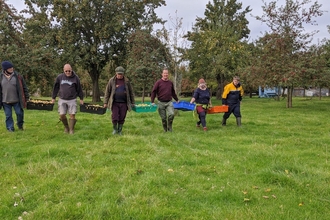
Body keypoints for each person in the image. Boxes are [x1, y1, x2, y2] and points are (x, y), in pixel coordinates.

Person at [51, 64, 84, 134]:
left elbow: (79, 89)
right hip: (62, 99)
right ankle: (66, 127)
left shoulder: (76, 78)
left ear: (71, 70)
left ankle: (71, 129)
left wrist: (81, 98)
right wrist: (53, 98)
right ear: (63, 70)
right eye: (66, 71)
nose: (68, 72)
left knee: (72, 114)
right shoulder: (60, 77)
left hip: (72, 99)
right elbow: (55, 88)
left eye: (69, 71)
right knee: (62, 115)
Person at [103, 66, 135, 135]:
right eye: (118, 74)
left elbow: (131, 92)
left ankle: (120, 130)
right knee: (115, 117)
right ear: (116, 73)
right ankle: (115, 129)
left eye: (121, 74)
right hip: (114, 102)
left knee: (122, 117)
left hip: (124, 103)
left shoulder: (127, 81)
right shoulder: (111, 81)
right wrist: (105, 102)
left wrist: (133, 102)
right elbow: (107, 92)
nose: (120, 76)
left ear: (123, 74)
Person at [0, 61, 30, 132]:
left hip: (17, 100)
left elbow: (24, 87)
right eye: (9, 68)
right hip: (5, 100)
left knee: (19, 113)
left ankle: (20, 125)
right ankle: (10, 128)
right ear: (5, 69)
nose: (11, 69)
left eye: (12, 67)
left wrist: (26, 96)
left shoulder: (18, 76)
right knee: (8, 116)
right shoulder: (1, 77)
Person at [151, 68, 179, 132]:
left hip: (169, 102)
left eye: (167, 73)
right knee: (163, 118)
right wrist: (152, 101)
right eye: (164, 73)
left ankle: (170, 126)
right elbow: (153, 92)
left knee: (171, 114)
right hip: (161, 102)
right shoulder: (158, 82)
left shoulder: (170, 83)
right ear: (162, 74)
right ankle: (165, 129)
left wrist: (177, 99)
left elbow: (173, 92)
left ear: (168, 74)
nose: (165, 74)